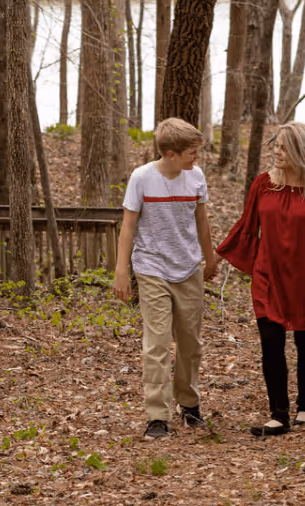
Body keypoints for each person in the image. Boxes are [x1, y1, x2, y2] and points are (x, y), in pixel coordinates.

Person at [216, 122, 305, 437]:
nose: (277, 152)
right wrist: (220, 259)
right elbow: (247, 226)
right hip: (269, 276)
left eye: (285, 147)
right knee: (271, 343)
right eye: (276, 146)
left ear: (302, 152)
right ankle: (278, 413)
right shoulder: (262, 185)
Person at [113, 117, 219, 440]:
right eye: (191, 152)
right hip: (151, 268)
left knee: (190, 342)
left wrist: (209, 256)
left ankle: (189, 405)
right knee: (157, 343)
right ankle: (157, 415)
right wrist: (121, 271)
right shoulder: (142, 178)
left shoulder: (195, 177)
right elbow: (128, 227)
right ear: (171, 154)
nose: (196, 158)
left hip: (188, 269)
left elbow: (201, 219)